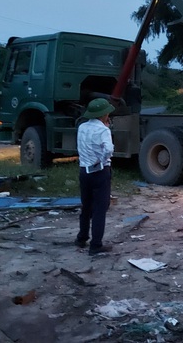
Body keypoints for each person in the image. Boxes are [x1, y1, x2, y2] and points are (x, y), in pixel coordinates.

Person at [75, 97, 115, 255]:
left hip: (84, 170)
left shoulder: (82, 127)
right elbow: (109, 149)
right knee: (100, 209)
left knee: (86, 206)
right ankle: (96, 245)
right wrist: (103, 160)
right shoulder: (103, 130)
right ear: (104, 114)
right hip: (99, 171)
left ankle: (81, 238)